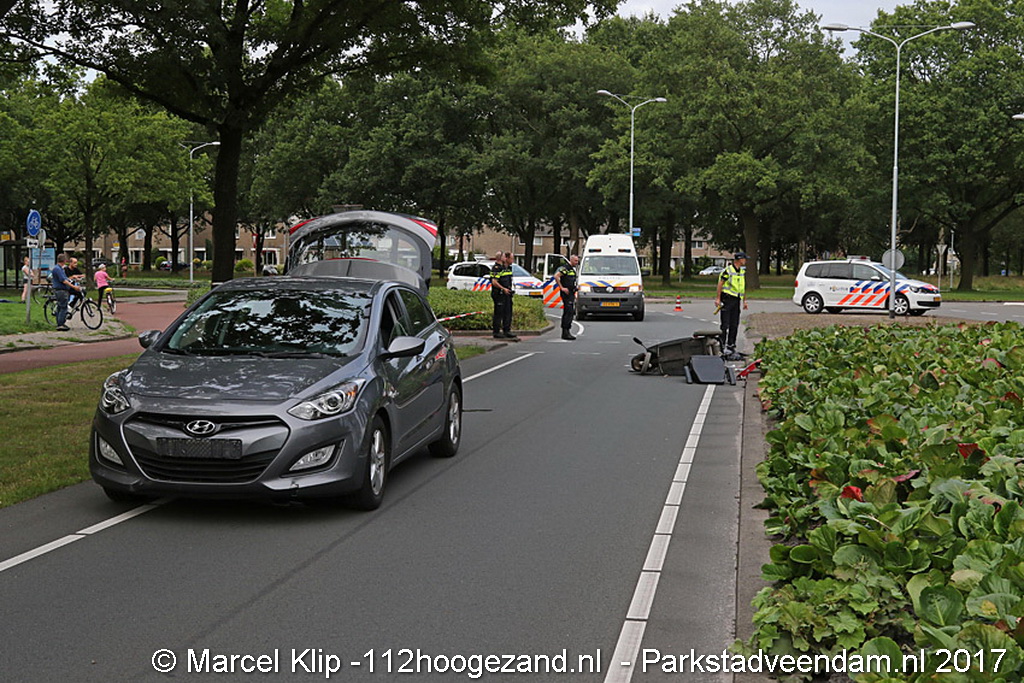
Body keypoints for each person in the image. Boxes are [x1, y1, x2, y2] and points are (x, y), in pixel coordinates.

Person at [715, 251, 748, 356]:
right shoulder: (728, 271)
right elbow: (720, 283)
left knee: (734, 324)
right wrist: (718, 298)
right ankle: (721, 346)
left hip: (736, 300)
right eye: (744, 259)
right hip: (727, 299)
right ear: (739, 259)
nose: (745, 261)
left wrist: (744, 301)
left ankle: (731, 345)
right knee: (725, 324)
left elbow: (742, 287)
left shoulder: (741, 271)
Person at [489, 252, 518, 341]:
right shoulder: (496, 269)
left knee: (508, 312)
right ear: (502, 258)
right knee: (499, 313)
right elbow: (494, 282)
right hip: (499, 293)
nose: (511, 260)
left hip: (507, 293)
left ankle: (507, 330)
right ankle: (496, 332)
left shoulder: (507, 268)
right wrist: (503, 289)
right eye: (509, 258)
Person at [50, 253, 81, 331]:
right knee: (63, 307)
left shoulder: (59, 268)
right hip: (61, 290)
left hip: (61, 290)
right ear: (64, 260)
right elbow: (63, 280)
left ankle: (59, 323)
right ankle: (60, 324)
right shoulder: (58, 269)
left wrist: (72, 279)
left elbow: (65, 278)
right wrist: (73, 286)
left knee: (60, 307)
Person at [554, 254, 579, 340]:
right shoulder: (566, 268)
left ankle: (567, 331)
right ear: (571, 260)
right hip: (566, 294)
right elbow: (556, 276)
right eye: (575, 261)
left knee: (570, 312)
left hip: (571, 293)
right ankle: (565, 332)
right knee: (568, 312)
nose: (577, 262)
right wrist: (562, 288)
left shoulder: (572, 269)